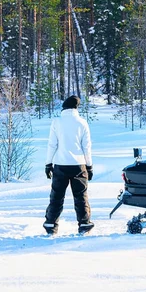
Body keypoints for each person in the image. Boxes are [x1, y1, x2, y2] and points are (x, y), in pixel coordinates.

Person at [43, 95, 94, 235]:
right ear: (76, 107)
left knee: (57, 196)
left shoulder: (57, 122)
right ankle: (84, 224)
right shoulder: (82, 122)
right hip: (79, 165)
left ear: (64, 107)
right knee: (81, 196)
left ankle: (50, 224)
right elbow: (86, 147)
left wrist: (48, 164)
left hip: (60, 164)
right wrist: (89, 166)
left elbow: (52, 144)